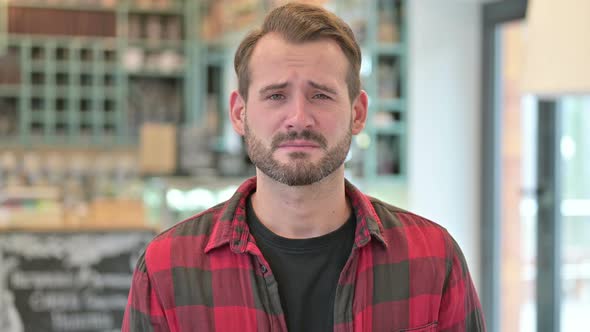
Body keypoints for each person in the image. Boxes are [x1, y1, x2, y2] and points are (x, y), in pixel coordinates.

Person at [123, 2, 486, 331]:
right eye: (276, 95)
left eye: (321, 95)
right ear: (239, 113)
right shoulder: (167, 269)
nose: (298, 118)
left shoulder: (433, 259)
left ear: (358, 113)